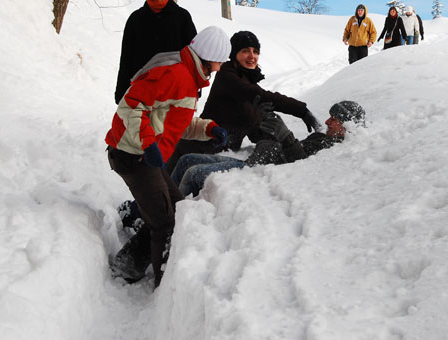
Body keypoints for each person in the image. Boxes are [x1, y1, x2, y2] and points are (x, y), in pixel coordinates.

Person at [105, 26, 231, 287]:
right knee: (165, 222)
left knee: (175, 208)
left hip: (145, 155)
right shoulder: (175, 73)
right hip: (132, 155)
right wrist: (148, 143)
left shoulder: (188, 75)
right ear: (209, 58)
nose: (220, 67)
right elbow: (130, 106)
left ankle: (128, 262)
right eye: (220, 61)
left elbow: (176, 122)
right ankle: (165, 285)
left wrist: (208, 129)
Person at [164, 30, 321, 175]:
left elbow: (252, 126)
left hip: (213, 156)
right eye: (245, 51)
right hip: (192, 151)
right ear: (234, 54)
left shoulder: (246, 79)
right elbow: (261, 95)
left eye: (255, 51)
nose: (252, 56)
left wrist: (285, 138)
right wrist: (301, 110)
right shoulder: (227, 75)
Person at [171, 101, 366, 198]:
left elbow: (301, 166)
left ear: (347, 125)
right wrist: (268, 122)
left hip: (256, 171)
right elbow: (290, 151)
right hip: (256, 160)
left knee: (193, 173)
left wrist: (287, 138)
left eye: (334, 119)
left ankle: (171, 222)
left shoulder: (334, 150)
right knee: (187, 160)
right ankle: (158, 212)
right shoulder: (321, 138)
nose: (327, 121)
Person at [114, 0, 197, 104]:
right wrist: (121, 91)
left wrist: (195, 87)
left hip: (173, 88)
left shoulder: (182, 17)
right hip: (141, 86)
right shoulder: (136, 19)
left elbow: (192, 55)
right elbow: (126, 57)